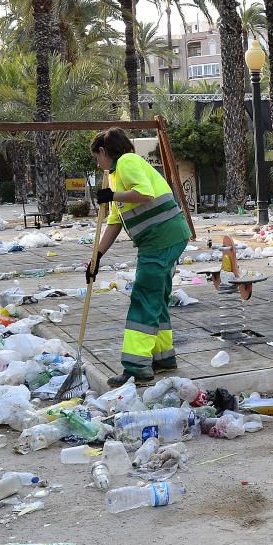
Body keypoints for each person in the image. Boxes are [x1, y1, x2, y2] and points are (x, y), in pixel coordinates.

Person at [88, 128, 191, 386]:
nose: (97, 163)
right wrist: (96, 257)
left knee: (144, 297)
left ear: (103, 151)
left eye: (96, 157)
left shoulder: (127, 161)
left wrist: (112, 196)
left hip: (161, 239)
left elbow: (144, 192)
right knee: (156, 295)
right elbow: (115, 222)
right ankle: (163, 357)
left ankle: (136, 367)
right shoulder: (115, 176)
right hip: (165, 238)